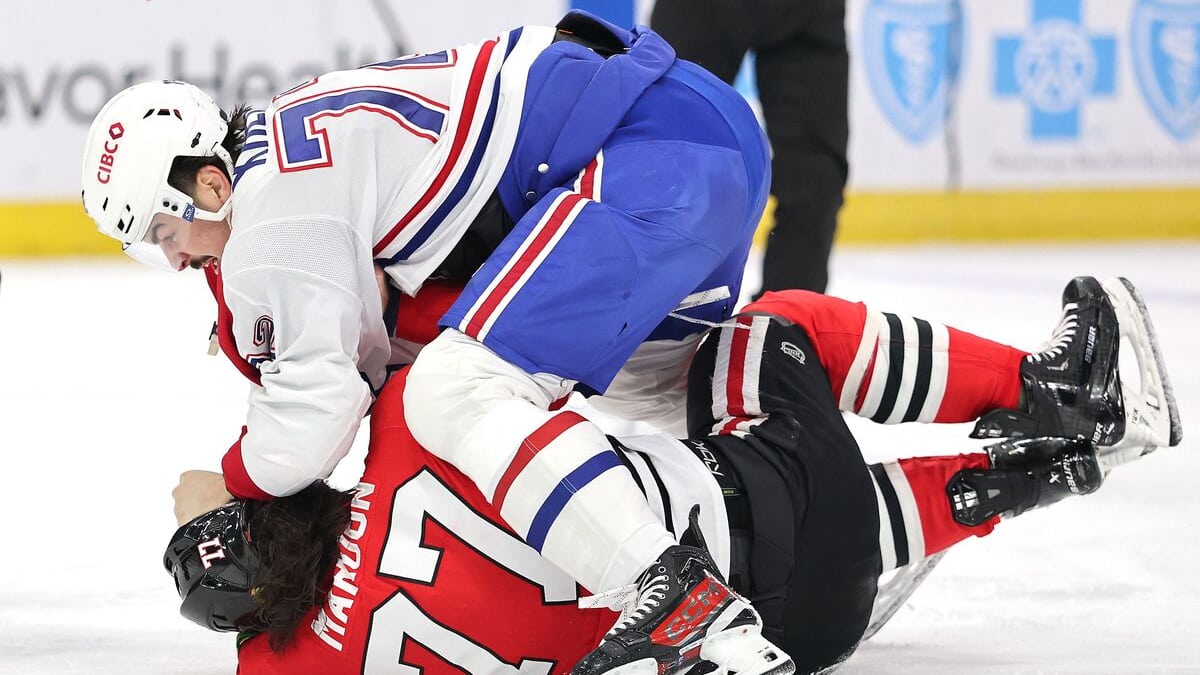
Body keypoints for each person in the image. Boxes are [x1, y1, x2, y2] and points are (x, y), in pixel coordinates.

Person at [84, 12, 777, 666]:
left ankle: (672, 594)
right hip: (701, 129)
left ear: (210, 184)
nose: (173, 260)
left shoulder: (267, 224)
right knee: (666, 383)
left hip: (645, 154)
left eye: (163, 234)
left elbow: (313, 417)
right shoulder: (290, 159)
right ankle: (867, 412)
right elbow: (389, 341)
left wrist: (229, 487)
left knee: (457, 389)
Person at [164, 278, 1181, 675]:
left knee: (825, 534)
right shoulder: (401, 431)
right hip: (751, 509)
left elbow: (248, 606)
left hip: (809, 632)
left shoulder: (297, 668)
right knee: (770, 328)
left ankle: (1040, 471)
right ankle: (1051, 387)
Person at [652, 0, 849, 294]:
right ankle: (650, 310)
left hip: (807, 10)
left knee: (816, 175)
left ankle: (785, 322)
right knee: (664, 157)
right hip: (702, 9)